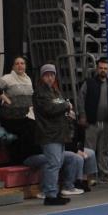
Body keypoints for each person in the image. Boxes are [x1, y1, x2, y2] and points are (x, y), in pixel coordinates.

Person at [32, 64, 77, 205]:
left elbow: (59, 107)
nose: (50, 78)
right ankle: (50, 195)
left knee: (57, 163)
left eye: (52, 75)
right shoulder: (40, 93)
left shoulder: (55, 91)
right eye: (47, 75)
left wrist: (68, 113)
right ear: (42, 77)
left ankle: (53, 192)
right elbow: (50, 109)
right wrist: (66, 106)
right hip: (49, 134)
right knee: (53, 164)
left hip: (58, 133)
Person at [77, 57, 108, 183]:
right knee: (89, 150)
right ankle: (90, 176)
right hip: (92, 122)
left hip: (106, 123)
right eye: (101, 68)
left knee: (104, 150)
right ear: (97, 69)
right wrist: (82, 115)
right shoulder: (89, 83)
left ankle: (104, 174)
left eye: (105, 68)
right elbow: (80, 99)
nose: (103, 70)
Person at [0, 56, 33, 138]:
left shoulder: (28, 79)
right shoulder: (8, 78)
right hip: (11, 117)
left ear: (25, 66)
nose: (20, 65)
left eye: (22, 63)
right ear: (13, 67)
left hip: (26, 116)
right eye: (17, 64)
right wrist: (7, 100)